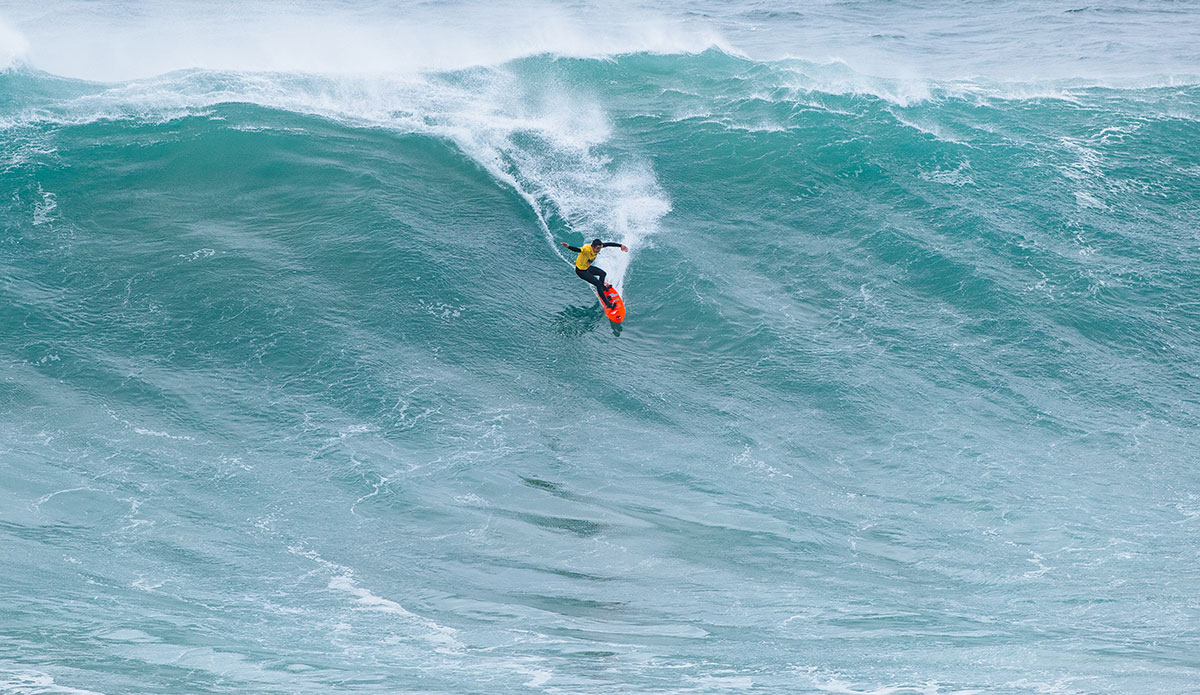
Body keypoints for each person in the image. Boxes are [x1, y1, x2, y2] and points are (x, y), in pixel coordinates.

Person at [561, 238, 628, 308]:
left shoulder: (598, 246)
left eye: (600, 248)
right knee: (598, 283)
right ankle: (607, 304)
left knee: (603, 274)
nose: (599, 250)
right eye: (597, 248)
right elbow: (577, 250)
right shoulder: (586, 249)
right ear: (592, 247)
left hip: (587, 268)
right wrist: (568, 246)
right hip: (581, 271)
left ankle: (603, 288)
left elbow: (608, 244)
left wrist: (620, 245)